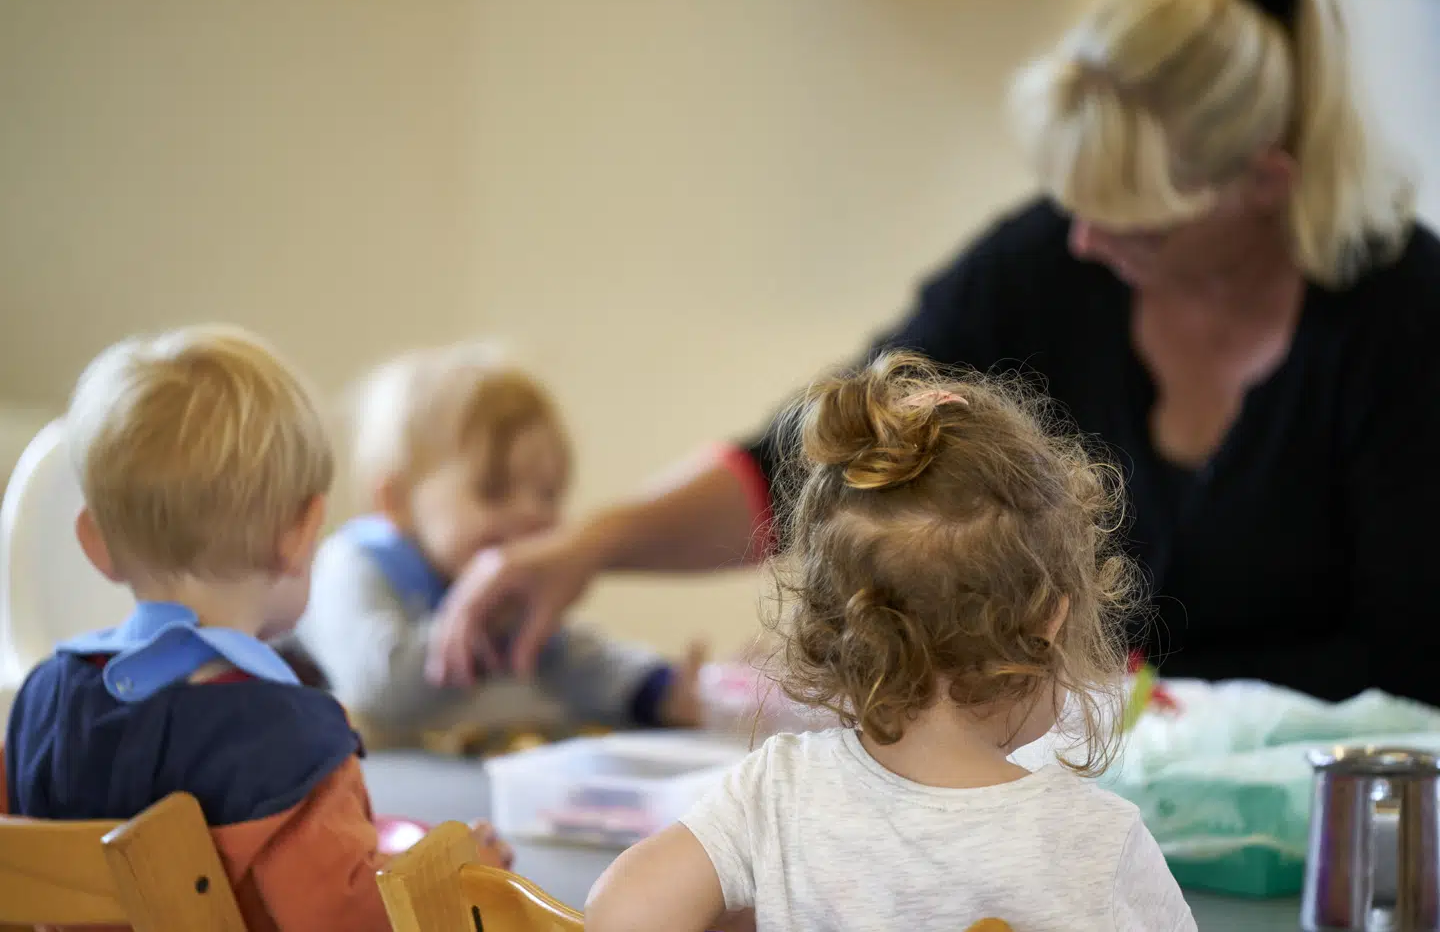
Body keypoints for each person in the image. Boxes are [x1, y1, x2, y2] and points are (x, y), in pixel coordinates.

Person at [429, 0, 1440, 705]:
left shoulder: (1405, 320)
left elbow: (1413, 669)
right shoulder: (1050, 266)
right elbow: (822, 449)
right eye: (1075, 202)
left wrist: (1121, 694)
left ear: (1264, 185)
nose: (1087, 242)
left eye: (1136, 221)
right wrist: (590, 544)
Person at [585, 353, 1196, 932]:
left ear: (839, 624)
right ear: (1048, 621)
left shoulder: (780, 790)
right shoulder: (1096, 843)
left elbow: (622, 908)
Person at [0, 327, 511, 931]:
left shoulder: (43, 697)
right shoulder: (289, 743)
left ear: (96, 543)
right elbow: (348, 920)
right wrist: (459, 877)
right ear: (301, 534)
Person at [295, 343, 703, 749]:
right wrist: (484, 620)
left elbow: (570, 656)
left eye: (548, 495)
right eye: (494, 491)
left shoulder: (507, 590)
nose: (530, 514)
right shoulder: (353, 565)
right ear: (397, 501)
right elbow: (379, 688)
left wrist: (657, 687)